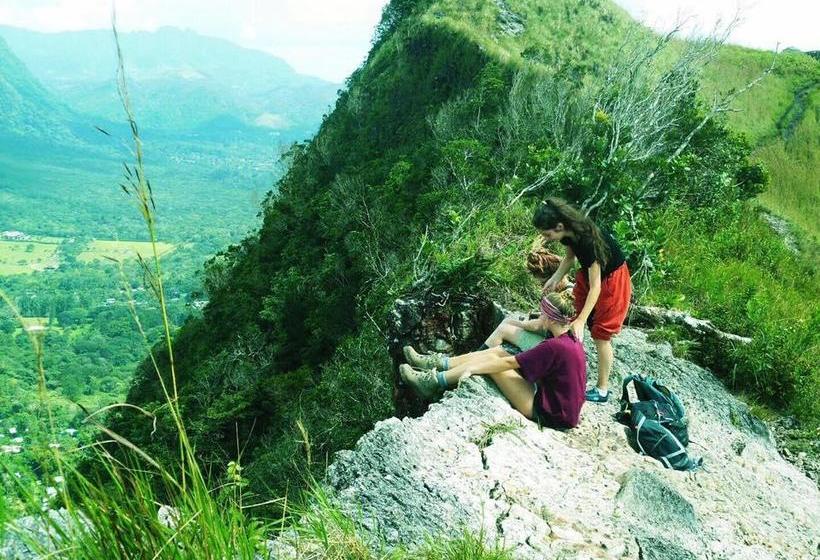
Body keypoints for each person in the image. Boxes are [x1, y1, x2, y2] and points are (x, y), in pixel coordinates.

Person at [400, 293, 587, 429]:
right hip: (561, 408)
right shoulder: (570, 339)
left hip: (549, 413)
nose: (540, 315)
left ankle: (433, 382)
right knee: (498, 352)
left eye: (543, 313)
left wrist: (474, 369)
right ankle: (437, 364)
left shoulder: (554, 346)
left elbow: (509, 364)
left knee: (493, 362)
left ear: (551, 319)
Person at [533, 197, 632, 403]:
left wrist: (581, 321)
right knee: (571, 314)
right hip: (590, 276)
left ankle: (602, 390)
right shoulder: (569, 233)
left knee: (601, 333)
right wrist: (555, 278)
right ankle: (556, 366)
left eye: (547, 234)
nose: (546, 238)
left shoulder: (588, 241)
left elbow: (596, 287)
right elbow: (569, 258)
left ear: (559, 227)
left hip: (612, 279)